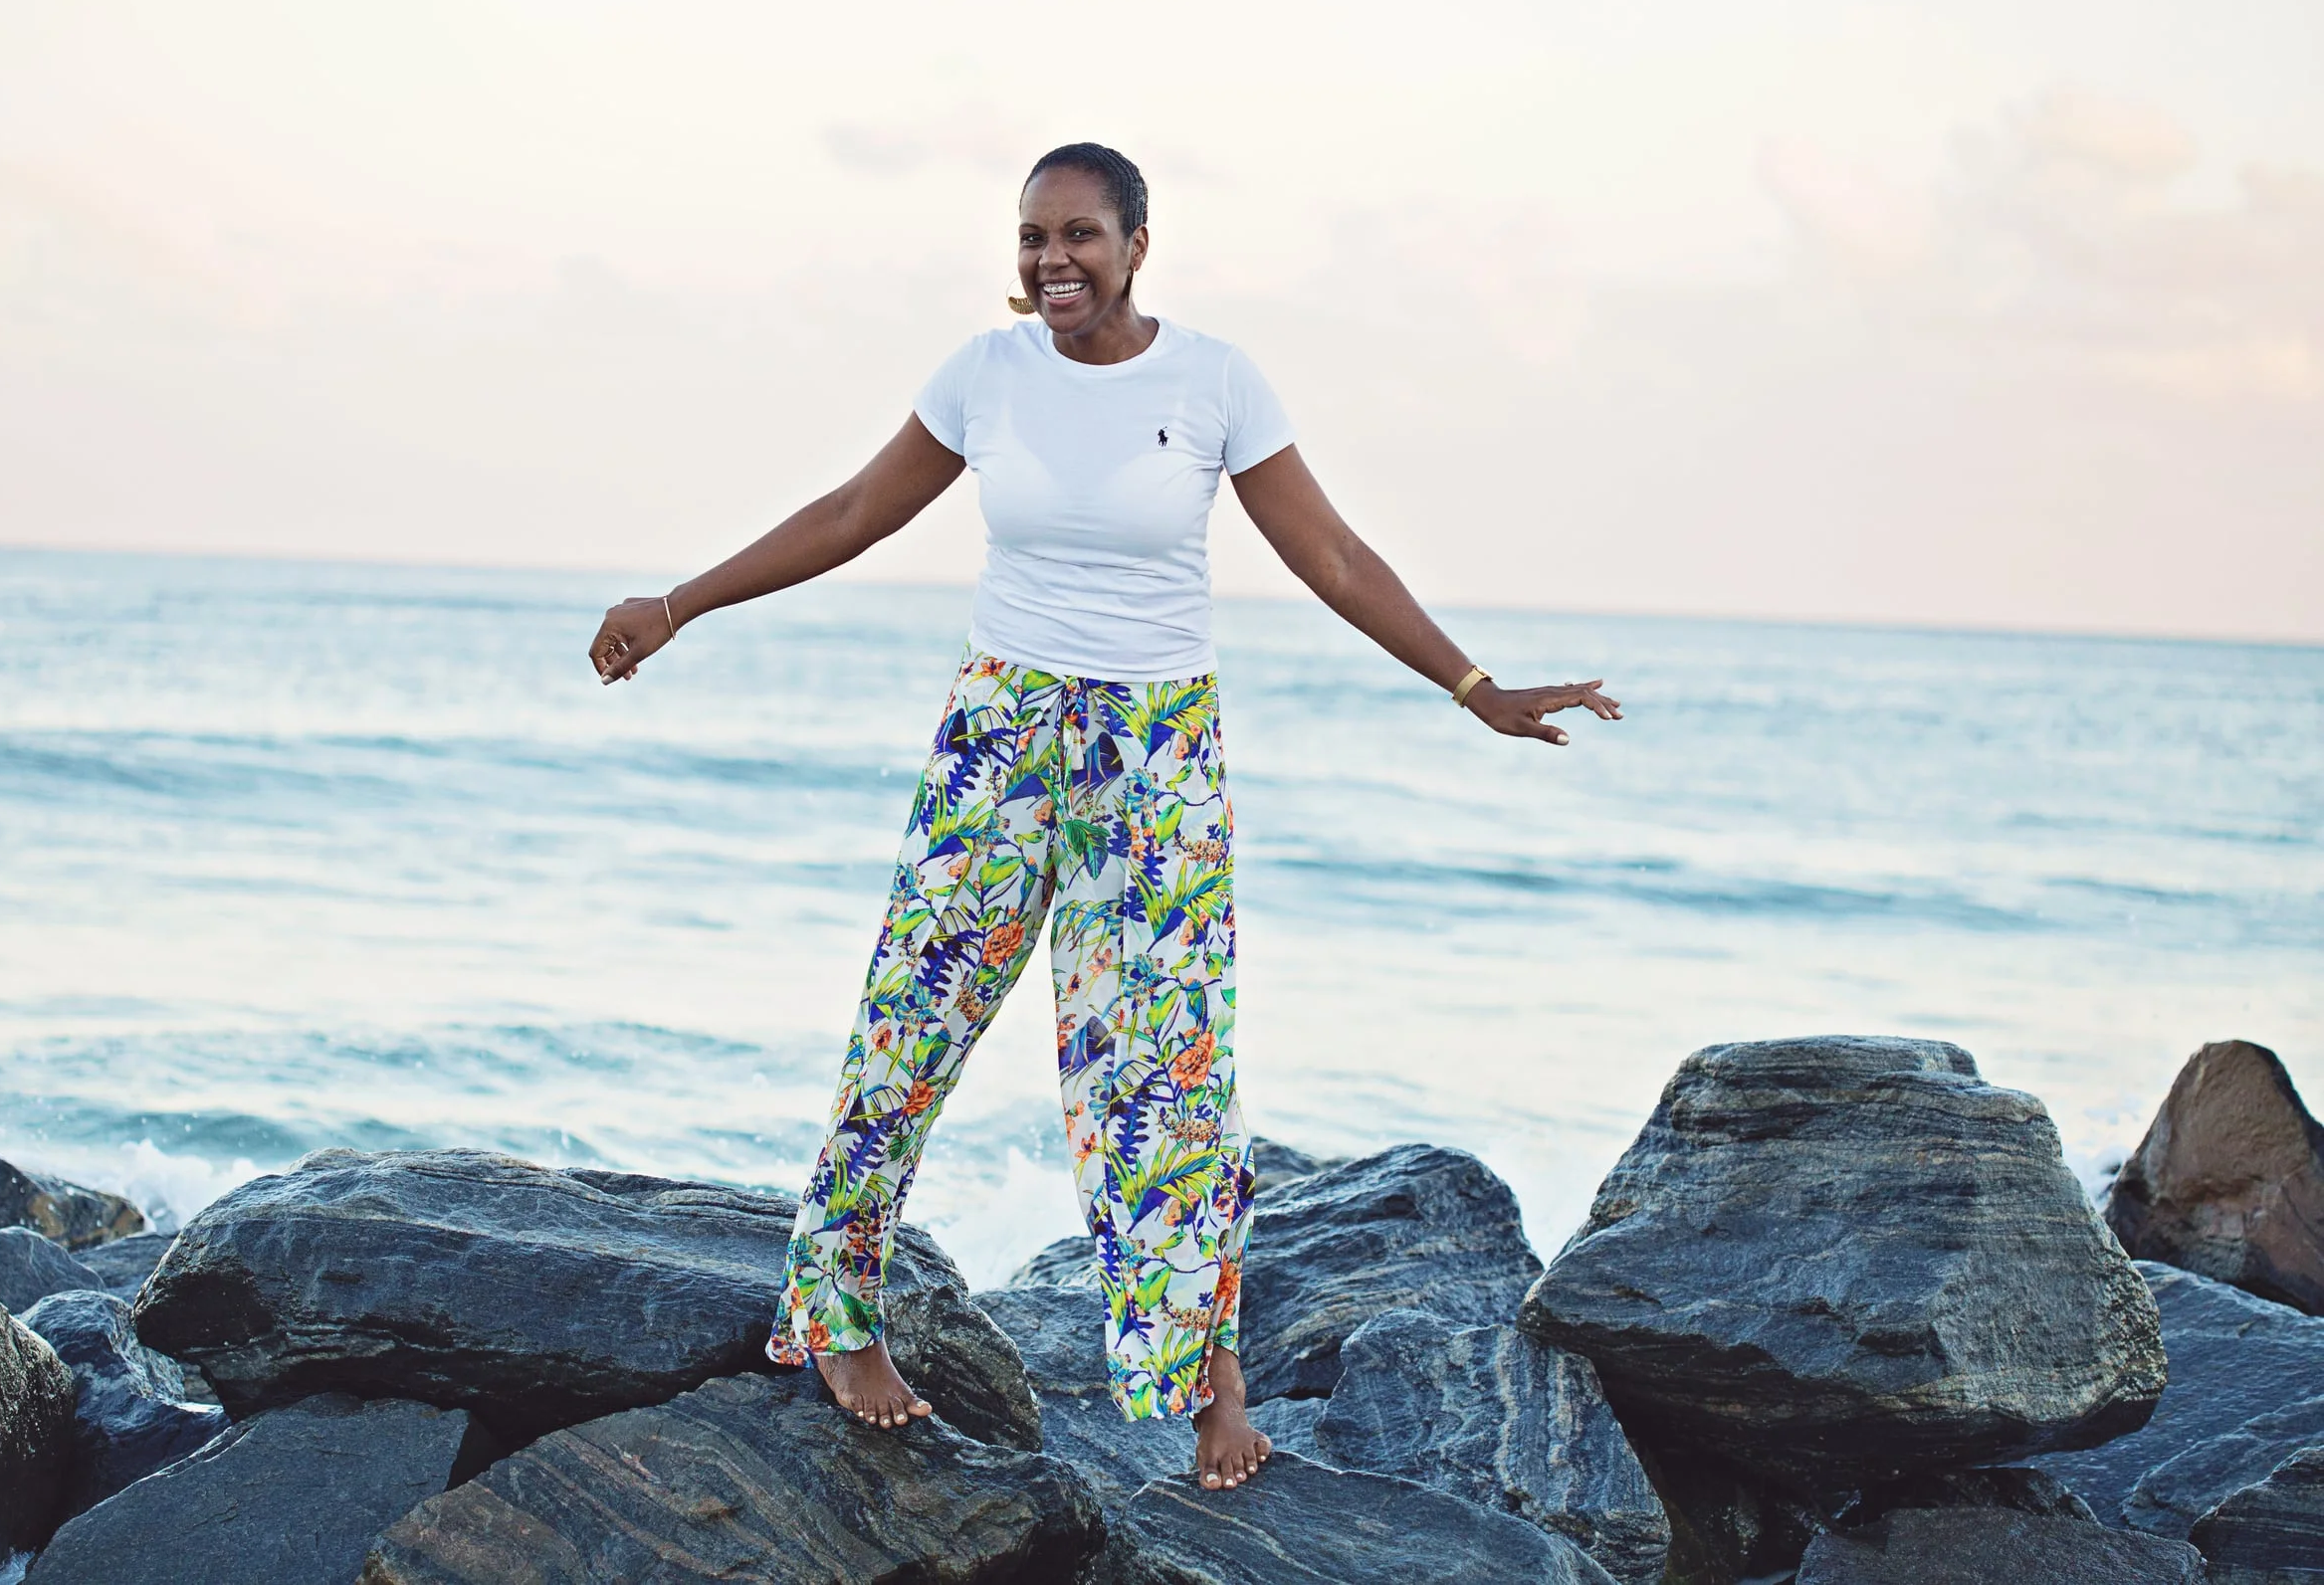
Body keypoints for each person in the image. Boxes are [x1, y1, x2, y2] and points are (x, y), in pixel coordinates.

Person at [587, 142, 1621, 1492]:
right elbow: (850, 512)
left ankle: (1211, 1377)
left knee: (1169, 1067)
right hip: (1000, 733)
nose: (1052, 259)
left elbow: (1331, 554)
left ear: (1137, 244)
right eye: (1033, 236)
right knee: (911, 1020)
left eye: (1079, 233)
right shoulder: (986, 374)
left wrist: (1474, 687)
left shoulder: (1214, 381)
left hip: (1156, 751)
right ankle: (837, 1316)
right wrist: (679, 604)